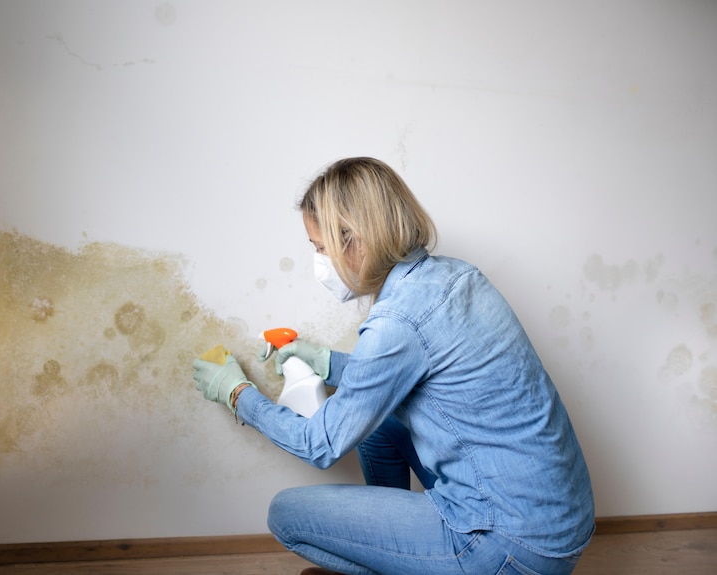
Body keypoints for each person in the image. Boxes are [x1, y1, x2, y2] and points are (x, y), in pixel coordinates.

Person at [192, 157, 594, 575]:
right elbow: (407, 378)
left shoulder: (398, 321)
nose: (320, 263)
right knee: (378, 423)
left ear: (357, 240)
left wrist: (238, 395)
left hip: (510, 548)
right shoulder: (457, 277)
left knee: (285, 514)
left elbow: (320, 444)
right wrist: (326, 362)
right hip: (559, 521)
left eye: (321, 248)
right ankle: (403, 558)